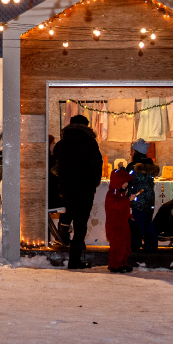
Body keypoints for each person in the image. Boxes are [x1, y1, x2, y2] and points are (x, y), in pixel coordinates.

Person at [50, 114, 103, 269]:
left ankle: (67, 242)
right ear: (86, 126)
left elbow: (56, 166)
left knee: (69, 217)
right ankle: (75, 259)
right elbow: (96, 165)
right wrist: (94, 182)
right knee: (80, 225)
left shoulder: (61, 144)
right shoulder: (90, 143)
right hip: (85, 189)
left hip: (66, 189)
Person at [127, 139, 160, 252]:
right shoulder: (150, 166)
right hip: (149, 199)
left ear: (136, 151)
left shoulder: (133, 167)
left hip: (138, 198)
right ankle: (152, 245)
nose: (130, 152)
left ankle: (135, 247)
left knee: (137, 224)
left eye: (132, 150)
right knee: (147, 223)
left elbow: (128, 180)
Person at [105, 167, 134, 273]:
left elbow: (122, 208)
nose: (126, 184)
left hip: (123, 223)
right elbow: (117, 206)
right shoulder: (111, 194)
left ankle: (122, 263)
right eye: (124, 182)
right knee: (117, 245)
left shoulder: (121, 194)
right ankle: (115, 264)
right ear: (118, 182)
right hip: (115, 225)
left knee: (125, 245)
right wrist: (128, 200)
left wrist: (129, 215)